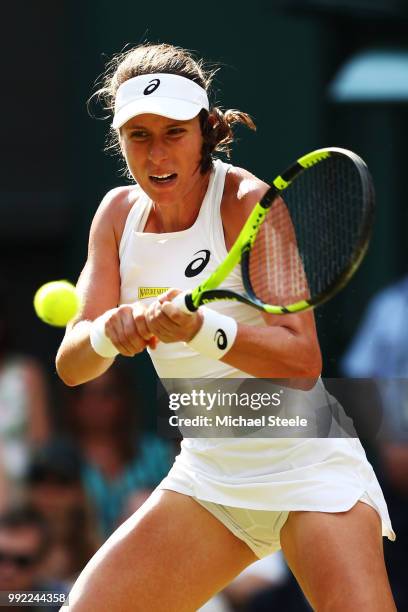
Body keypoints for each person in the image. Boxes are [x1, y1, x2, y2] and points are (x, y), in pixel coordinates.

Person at [56, 43, 396, 611]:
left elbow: (301, 358)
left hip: (307, 467)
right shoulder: (116, 217)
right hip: (210, 477)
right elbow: (72, 366)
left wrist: (201, 329)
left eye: (173, 132)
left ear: (205, 129)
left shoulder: (246, 201)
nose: (157, 152)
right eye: (139, 135)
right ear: (120, 139)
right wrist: (106, 333)